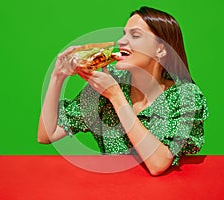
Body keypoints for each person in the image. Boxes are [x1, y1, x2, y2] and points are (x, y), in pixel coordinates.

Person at [37, 6, 209, 176]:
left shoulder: (185, 96)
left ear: (161, 49)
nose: (121, 41)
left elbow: (158, 163)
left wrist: (115, 95)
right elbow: (46, 134)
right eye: (124, 34)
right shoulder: (109, 80)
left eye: (135, 35)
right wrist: (57, 78)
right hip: (112, 189)